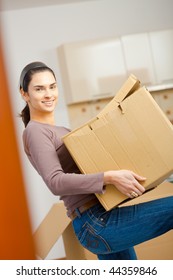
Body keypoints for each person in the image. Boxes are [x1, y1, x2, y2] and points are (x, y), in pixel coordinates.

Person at [19, 61, 173, 260]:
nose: (48, 94)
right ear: (24, 94)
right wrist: (109, 177)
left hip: (101, 215)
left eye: (52, 86)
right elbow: (55, 182)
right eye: (39, 89)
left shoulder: (61, 131)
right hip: (96, 223)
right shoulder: (35, 131)